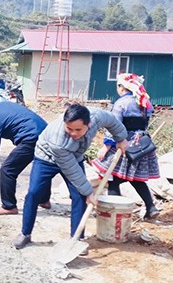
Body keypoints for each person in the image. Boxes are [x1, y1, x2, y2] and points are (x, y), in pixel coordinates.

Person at [13, 104, 128, 249]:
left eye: (78, 130)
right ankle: (25, 234)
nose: (73, 133)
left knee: (79, 196)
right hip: (46, 158)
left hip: (75, 156)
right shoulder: (58, 140)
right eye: (69, 129)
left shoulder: (96, 116)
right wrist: (89, 192)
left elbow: (112, 120)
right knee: (34, 193)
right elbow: (71, 169)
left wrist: (121, 138)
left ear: (89, 124)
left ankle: (76, 239)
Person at [92, 73, 160, 219]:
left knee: (114, 179)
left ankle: (113, 212)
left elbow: (114, 126)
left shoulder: (121, 103)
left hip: (124, 143)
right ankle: (151, 207)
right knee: (136, 179)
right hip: (140, 143)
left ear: (121, 87)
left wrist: (106, 146)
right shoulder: (145, 102)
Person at [0, 95, 50, 215]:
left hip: (31, 137)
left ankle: (9, 206)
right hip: (46, 134)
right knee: (42, 165)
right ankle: (44, 199)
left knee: (7, 170)